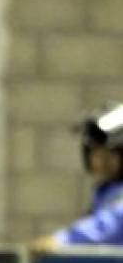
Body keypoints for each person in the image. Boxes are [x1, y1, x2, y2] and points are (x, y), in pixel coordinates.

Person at [37, 102, 123, 248]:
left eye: (110, 155)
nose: (101, 162)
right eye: (96, 153)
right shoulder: (105, 192)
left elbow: (112, 222)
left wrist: (62, 240)